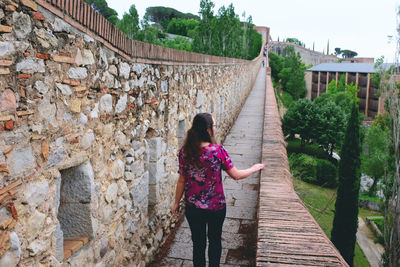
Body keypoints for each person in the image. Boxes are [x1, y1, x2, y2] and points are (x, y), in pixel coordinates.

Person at [173, 113, 265, 267]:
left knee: (198, 245)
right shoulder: (217, 151)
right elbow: (236, 175)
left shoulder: (185, 152)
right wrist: (253, 168)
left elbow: (181, 180)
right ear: (208, 130)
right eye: (214, 125)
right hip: (216, 207)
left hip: (193, 208)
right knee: (215, 241)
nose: (215, 128)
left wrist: (176, 202)